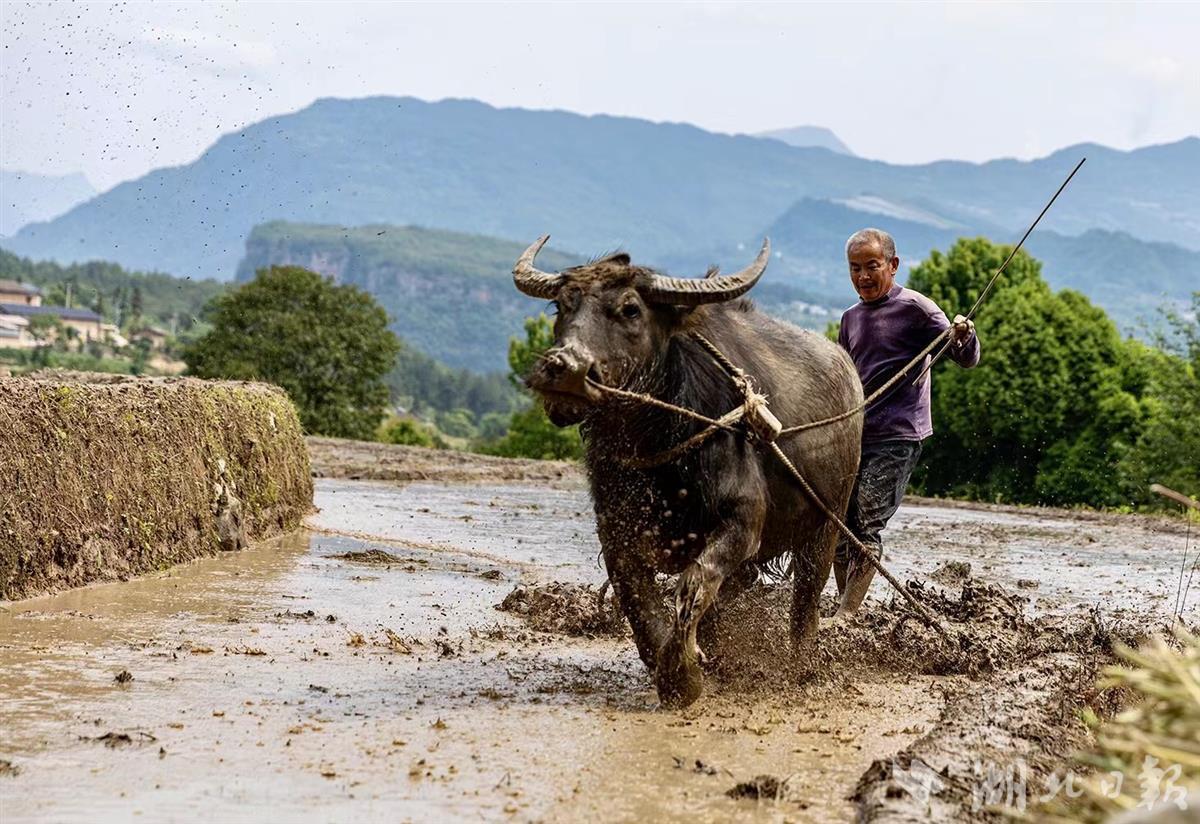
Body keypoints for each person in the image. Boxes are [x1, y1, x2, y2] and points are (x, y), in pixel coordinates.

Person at [834, 228, 980, 613]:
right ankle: (843, 606)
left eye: (872, 266)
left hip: (898, 434)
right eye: (855, 268)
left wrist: (964, 335)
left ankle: (846, 616)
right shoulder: (850, 319)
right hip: (855, 434)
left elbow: (964, 357)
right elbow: (842, 376)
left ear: (893, 266)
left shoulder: (917, 308)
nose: (863, 276)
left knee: (866, 521)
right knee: (836, 526)